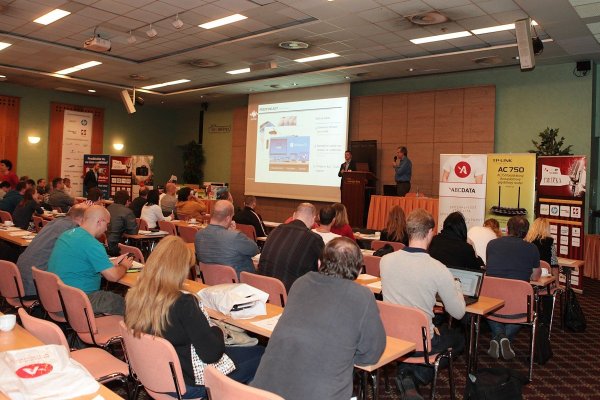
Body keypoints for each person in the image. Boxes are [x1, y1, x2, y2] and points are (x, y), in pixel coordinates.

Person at [124, 236, 264, 399]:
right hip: (188, 384)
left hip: (152, 375)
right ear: (180, 270)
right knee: (264, 354)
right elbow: (211, 355)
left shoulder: (134, 296)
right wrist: (217, 329)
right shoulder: (183, 303)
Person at [251, 237, 386, 400]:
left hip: (261, 393)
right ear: (359, 270)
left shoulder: (301, 283)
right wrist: (345, 355)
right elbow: (371, 355)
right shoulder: (362, 296)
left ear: (319, 263)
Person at [380, 208, 465, 389]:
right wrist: (456, 286)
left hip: (392, 337)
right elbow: (458, 313)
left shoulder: (385, 261)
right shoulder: (438, 268)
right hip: (423, 342)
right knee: (459, 339)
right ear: (430, 232)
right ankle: (415, 376)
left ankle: (405, 373)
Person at [48, 205, 133, 315]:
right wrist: (125, 265)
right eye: (107, 224)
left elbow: (81, 263)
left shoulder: (66, 235)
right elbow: (113, 277)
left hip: (57, 299)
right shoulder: (92, 244)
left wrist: (112, 263)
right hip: (78, 302)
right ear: (99, 221)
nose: (106, 229)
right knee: (127, 304)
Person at [485, 215, 541, 360]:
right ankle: (504, 338)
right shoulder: (532, 249)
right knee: (524, 311)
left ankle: (499, 337)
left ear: (507, 229)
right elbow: (535, 276)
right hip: (518, 304)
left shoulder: (492, 244)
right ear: (526, 233)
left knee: (489, 307)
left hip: (492, 302)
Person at [17, 203, 88, 297]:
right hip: (35, 285)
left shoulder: (55, 222)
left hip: (18, 280)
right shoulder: (72, 229)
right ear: (82, 218)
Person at [258, 203, 324, 291]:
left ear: (294, 215)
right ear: (313, 219)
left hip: (262, 289)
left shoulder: (275, 230)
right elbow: (324, 269)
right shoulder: (314, 239)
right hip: (290, 293)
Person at [195, 200, 259, 278]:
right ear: (228, 218)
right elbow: (255, 250)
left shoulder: (199, 234)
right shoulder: (235, 236)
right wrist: (234, 231)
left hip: (210, 280)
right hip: (239, 282)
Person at [106, 190, 138, 256]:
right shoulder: (128, 212)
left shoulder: (107, 208)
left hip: (104, 243)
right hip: (116, 246)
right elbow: (133, 232)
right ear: (127, 201)